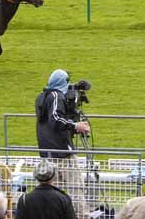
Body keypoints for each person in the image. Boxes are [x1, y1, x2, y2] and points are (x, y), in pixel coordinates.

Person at [35, 69, 90, 218]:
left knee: (53, 191)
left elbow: (51, 122)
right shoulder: (55, 96)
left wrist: (70, 127)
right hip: (62, 152)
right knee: (76, 188)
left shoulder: (42, 96)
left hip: (47, 151)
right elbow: (55, 118)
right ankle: (81, 216)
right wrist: (75, 126)